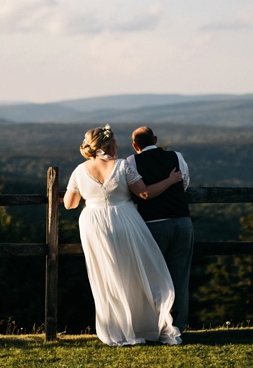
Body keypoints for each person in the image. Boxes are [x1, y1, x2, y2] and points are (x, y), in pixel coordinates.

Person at [63, 124, 184, 346]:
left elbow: (70, 204)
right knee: (137, 273)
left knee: (108, 276)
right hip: (125, 220)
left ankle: (118, 329)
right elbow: (145, 193)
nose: (118, 146)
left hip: (94, 225)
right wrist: (170, 180)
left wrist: (90, 196)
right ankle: (144, 324)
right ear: (108, 145)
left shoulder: (79, 171)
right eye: (116, 142)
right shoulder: (122, 166)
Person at [126, 125, 193, 333]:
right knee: (180, 275)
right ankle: (178, 325)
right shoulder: (176, 156)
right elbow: (185, 183)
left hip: (154, 223)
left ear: (135, 145)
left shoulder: (132, 161)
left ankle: (156, 325)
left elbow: (134, 190)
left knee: (153, 276)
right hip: (182, 221)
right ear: (155, 139)